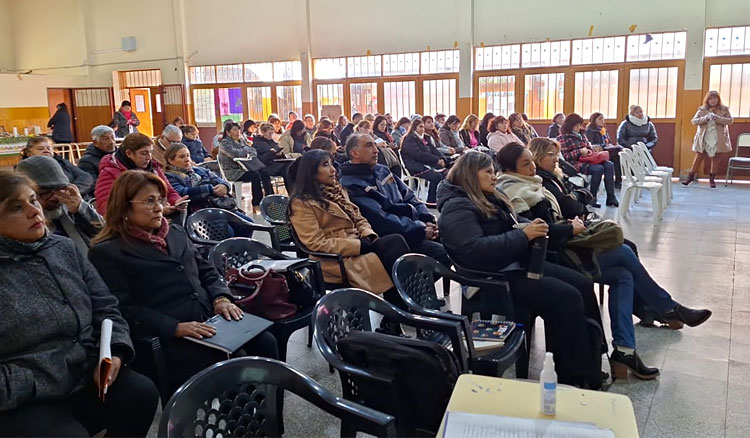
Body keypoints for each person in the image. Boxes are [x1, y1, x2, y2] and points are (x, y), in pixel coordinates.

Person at [495, 143, 712, 378]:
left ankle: (625, 349)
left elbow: (575, 201)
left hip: (565, 244)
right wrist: (569, 228)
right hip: (553, 256)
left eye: (531, 161)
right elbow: (535, 229)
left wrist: (571, 219)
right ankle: (668, 309)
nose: (532, 167)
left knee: (623, 275)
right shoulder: (513, 191)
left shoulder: (535, 182)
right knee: (624, 252)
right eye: (526, 164)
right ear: (510, 169)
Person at [89, 170, 278, 394]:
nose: (160, 207)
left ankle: (270, 421)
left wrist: (221, 298)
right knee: (237, 361)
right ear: (124, 207)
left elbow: (207, 271)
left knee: (267, 342)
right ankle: (242, 423)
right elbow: (123, 308)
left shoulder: (175, 232)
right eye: (149, 201)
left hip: (209, 317)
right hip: (170, 333)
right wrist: (174, 328)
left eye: (160, 199)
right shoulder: (109, 252)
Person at [0, 171, 158, 437]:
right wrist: (35, 382)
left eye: (33, 200)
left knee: (141, 394)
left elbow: (106, 306)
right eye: (16, 208)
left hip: (86, 371)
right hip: (26, 393)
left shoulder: (63, 249)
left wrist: (115, 351)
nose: (33, 211)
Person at [436, 152, 603, 388]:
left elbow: (507, 229)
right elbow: (474, 249)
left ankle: (590, 357)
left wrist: (529, 230)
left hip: (514, 263)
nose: (494, 177)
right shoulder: (457, 207)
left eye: (494, 171)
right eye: (488, 172)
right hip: (492, 279)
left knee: (582, 284)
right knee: (567, 298)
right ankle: (575, 375)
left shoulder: (487, 197)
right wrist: (522, 235)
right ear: (471, 175)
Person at [287, 150, 410, 301]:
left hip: (357, 243)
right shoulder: (302, 203)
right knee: (393, 249)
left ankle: (403, 307)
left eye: (332, 164)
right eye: (326, 165)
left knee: (396, 244)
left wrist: (367, 234)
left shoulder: (338, 191)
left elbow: (358, 217)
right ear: (311, 172)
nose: (333, 169)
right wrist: (358, 245)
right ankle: (404, 307)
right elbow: (315, 243)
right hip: (334, 259)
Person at [340, 133, 449, 266]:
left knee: (453, 241)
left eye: (375, 144)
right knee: (442, 255)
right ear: (354, 153)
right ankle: (413, 286)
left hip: (413, 226)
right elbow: (381, 219)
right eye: (369, 146)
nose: (376, 150)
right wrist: (419, 230)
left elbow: (409, 196)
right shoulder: (350, 184)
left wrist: (426, 219)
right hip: (396, 237)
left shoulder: (382, 170)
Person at [17, 156, 103, 253]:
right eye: (46, 193)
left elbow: (105, 235)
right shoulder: (25, 225)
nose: (56, 197)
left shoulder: (70, 206)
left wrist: (81, 209)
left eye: (59, 189)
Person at [95, 133, 187, 215]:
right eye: (144, 153)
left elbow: (169, 191)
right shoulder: (110, 173)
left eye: (151, 152)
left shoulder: (153, 168)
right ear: (129, 153)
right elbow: (109, 210)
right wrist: (156, 210)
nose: (149, 157)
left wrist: (177, 201)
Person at [558, 113, 618, 208]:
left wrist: (590, 150)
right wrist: (580, 152)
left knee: (609, 165)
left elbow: (589, 148)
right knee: (598, 169)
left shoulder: (582, 134)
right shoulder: (563, 138)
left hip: (589, 159)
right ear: (570, 125)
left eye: (579, 125)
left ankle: (611, 197)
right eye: (576, 125)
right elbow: (566, 157)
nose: (578, 127)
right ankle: (592, 197)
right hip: (575, 163)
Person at [528, 137, 593, 220]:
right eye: (551, 154)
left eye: (556, 155)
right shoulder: (540, 180)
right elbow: (569, 207)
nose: (556, 159)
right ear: (537, 155)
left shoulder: (553, 175)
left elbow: (586, 192)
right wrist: (578, 201)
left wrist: (575, 196)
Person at [683, 91, 734, 188]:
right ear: (707, 100)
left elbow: (730, 121)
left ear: (718, 99)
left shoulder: (724, 109)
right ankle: (690, 177)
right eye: (711, 98)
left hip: (718, 137)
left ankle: (712, 179)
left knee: (716, 158)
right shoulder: (702, 110)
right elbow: (694, 121)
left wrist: (717, 118)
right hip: (704, 137)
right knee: (699, 157)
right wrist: (706, 118)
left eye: (715, 98)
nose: (713, 101)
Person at [219, 121, 272, 212]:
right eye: (235, 130)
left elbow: (253, 151)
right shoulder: (224, 143)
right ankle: (256, 203)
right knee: (255, 175)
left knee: (264, 173)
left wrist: (245, 149)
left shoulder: (241, 139)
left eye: (238, 130)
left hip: (245, 167)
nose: (238, 132)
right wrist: (246, 149)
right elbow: (235, 154)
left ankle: (270, 200)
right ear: (227, 132)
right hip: (233, 171)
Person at [20, 137, 94, 196]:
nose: (46, 150)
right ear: (29, 153)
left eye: (49, 148)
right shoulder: (24, 168)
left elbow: (86, 176)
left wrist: (74, 190)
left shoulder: (62, 162)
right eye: (40, 149)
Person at [400, 118, 446, 204]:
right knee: (437, 177)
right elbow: (418, 154)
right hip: (415, 167)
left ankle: (441, 198)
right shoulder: (409, 139)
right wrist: (436, 160)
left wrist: (442, 159)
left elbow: (433, 150)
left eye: (423, 128)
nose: (422, 129)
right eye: (420, 127)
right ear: (414, 128)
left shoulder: (423, 138)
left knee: (447, 173)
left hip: (425, 164)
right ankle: (431, 201)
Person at [585, 112, 625, 188]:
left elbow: (608, 141)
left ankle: (618, 180)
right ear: (594, 120)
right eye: (600, 118)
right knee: (618, 149)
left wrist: (609, 145)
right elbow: (591, 144)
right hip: (598, 152)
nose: (602, 120)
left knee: (617, 156)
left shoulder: (603, 130)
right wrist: (604, 146)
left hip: (606, 149)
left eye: (603, 118)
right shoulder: (590, 131)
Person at [253, 122, 292, 189]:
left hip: (275, 165)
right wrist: (271, 153)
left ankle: (292, 191)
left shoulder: (272, 142)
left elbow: (277, 150)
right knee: (287, 169)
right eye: (269, 133)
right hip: (266, 166)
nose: (270, 135)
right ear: (263, 132)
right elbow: (260, 159)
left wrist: (280, 154)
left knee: (289, 167)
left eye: (272, 133)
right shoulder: (258, 143)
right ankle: (291, 192)